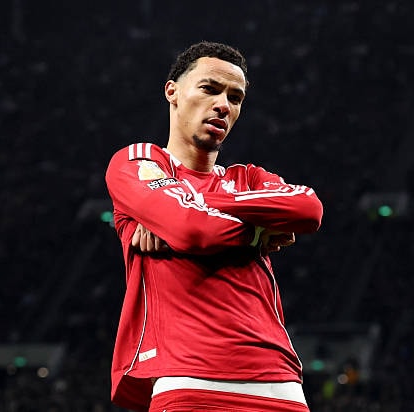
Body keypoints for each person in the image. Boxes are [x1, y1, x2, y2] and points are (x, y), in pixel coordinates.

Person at [105, 41, 323, 412]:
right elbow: (192, 229)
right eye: (210, 89)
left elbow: (308, 209)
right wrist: (258, 230)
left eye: (235, 98)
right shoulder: (140, 161)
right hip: (191, 381)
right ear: (172, 91)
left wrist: (196, 204)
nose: (223, 104)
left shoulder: (248, 177)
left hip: (281, 385)